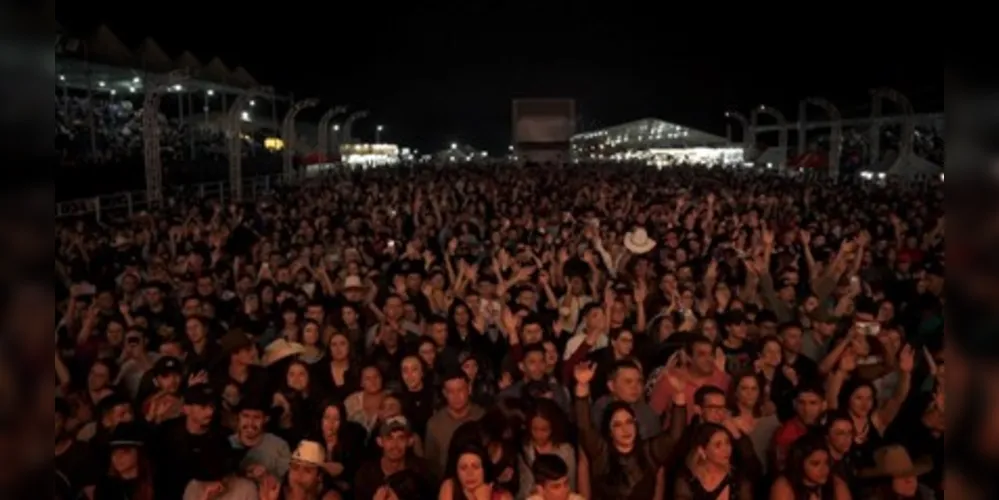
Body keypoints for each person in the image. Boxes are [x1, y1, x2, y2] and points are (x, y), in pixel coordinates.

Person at [573, 361, 686, 499]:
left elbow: (675, 435)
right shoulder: (601, 452)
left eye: (629, 422)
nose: (625, 429)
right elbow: (584, 426)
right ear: (609, 431)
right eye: (617, 425)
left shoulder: (649, 451)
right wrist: (582, 385)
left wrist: (679, 393)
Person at [355, 416, 434, 500]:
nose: (395, 445)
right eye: (389, 438)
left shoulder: (423, 473)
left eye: (401, 438)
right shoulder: (366, 475)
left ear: (410, 441)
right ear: (380, 441)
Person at [426, 371, 486, 477]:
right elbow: (431, 465)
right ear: (444, 393)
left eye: (460, 390)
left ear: (469, 389)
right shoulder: (434, 424)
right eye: (451, 392)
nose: (456, 396)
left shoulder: (482, 417)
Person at [672, 423, 753, 499]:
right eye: (718, 445)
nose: (726, 450)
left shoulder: (738, 479)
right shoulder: (688, 479)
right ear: (702, 451)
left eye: (727, 443)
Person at [770, 434, 852, 499]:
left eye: (826, 462)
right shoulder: (784, 485)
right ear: (799, 463)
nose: (824, 469)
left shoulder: (836, 483)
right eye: (815, 464)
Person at [229, 396, 291, 479]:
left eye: (256, 417)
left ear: (266, 419)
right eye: (245, 416)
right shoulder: (225, 444)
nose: (250, 423)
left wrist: (267, 475)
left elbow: (287, 481)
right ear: (238, 417)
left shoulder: (280, 447)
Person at [93, 422, 155, 500]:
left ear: (139, 453)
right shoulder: (105, 487)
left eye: (125, 452)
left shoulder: (154, 484)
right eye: (114, 452)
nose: (118, 457)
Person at [438, 443, 514, 500]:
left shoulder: (503, 496)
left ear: (484, 469)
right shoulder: (450, 487)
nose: (470, 473)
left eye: (475, 467)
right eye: (463, 468)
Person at [857, 445, 935, 500]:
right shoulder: (875, 497)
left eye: (913, 474)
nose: (910, 481)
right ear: (888, 481)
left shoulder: (925, 494)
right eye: (901, 476)